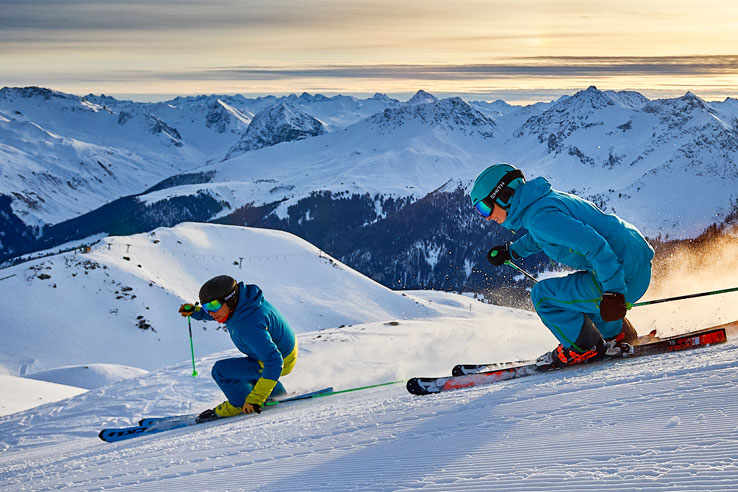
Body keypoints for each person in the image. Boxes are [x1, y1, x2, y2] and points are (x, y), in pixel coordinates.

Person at [470, 163, 654, 370]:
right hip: (632, 265)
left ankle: (583, 347)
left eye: (484, 208)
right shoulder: (541, 204)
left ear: (504, 195)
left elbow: (595, 245)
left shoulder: (540, 217)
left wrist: (614, 292)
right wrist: (512, 251)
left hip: (623, 276)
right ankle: (617, 335)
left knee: (543, 296)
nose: (486, 217)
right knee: (576, 297)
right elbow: (548, 235)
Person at [179, 275, 297, 421]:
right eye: (206, 307)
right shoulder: (243, 303)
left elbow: (273, 361)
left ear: (230, 299)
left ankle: (239, 404)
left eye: (214, 306)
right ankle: (276, 393)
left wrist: (256, 399)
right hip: (279, 350)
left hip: (280, 359)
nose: (210, 313)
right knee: (247, 367)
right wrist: (196, 312)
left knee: (221, 371)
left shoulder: (248, 324)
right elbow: (218, 313)